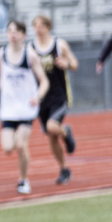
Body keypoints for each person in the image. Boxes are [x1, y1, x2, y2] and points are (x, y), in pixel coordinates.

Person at [0, 20, 49, 195]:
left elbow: (44, 81)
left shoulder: (30, 55)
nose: (12, 34)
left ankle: (23, 180)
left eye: (16, 31)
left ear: (23, 35)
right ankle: (22, 173)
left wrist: (37, 96)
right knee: (8, 148)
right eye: (10, 31)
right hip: (8, 109)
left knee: (21, 145)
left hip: (26, 109)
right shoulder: (1, 53)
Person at [31, 15, 78, 185]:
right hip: (41, 99)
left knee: (52, 126)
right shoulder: (30, 48)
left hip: (59, 96)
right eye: (36, 25)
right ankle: (64, 169)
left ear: (48, 27)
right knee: (51, 137)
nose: (39, 28)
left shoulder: (59, 44)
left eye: (42, 25)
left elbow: (74, 63)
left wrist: (67, 63)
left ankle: (66, 133)